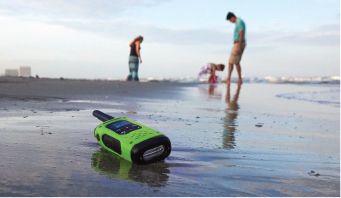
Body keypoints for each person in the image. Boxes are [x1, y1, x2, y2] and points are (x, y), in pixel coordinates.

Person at [226, 12, 246, 84]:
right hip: (238, 43)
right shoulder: (239, 22)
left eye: (230, 20)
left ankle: (229, 79)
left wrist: (239, 45)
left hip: (238, 43)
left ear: (232, 17)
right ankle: (238, 79)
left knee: (231, 62)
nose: (230, 22)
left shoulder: (239, 22)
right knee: (235, 62)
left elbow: (241, 32)